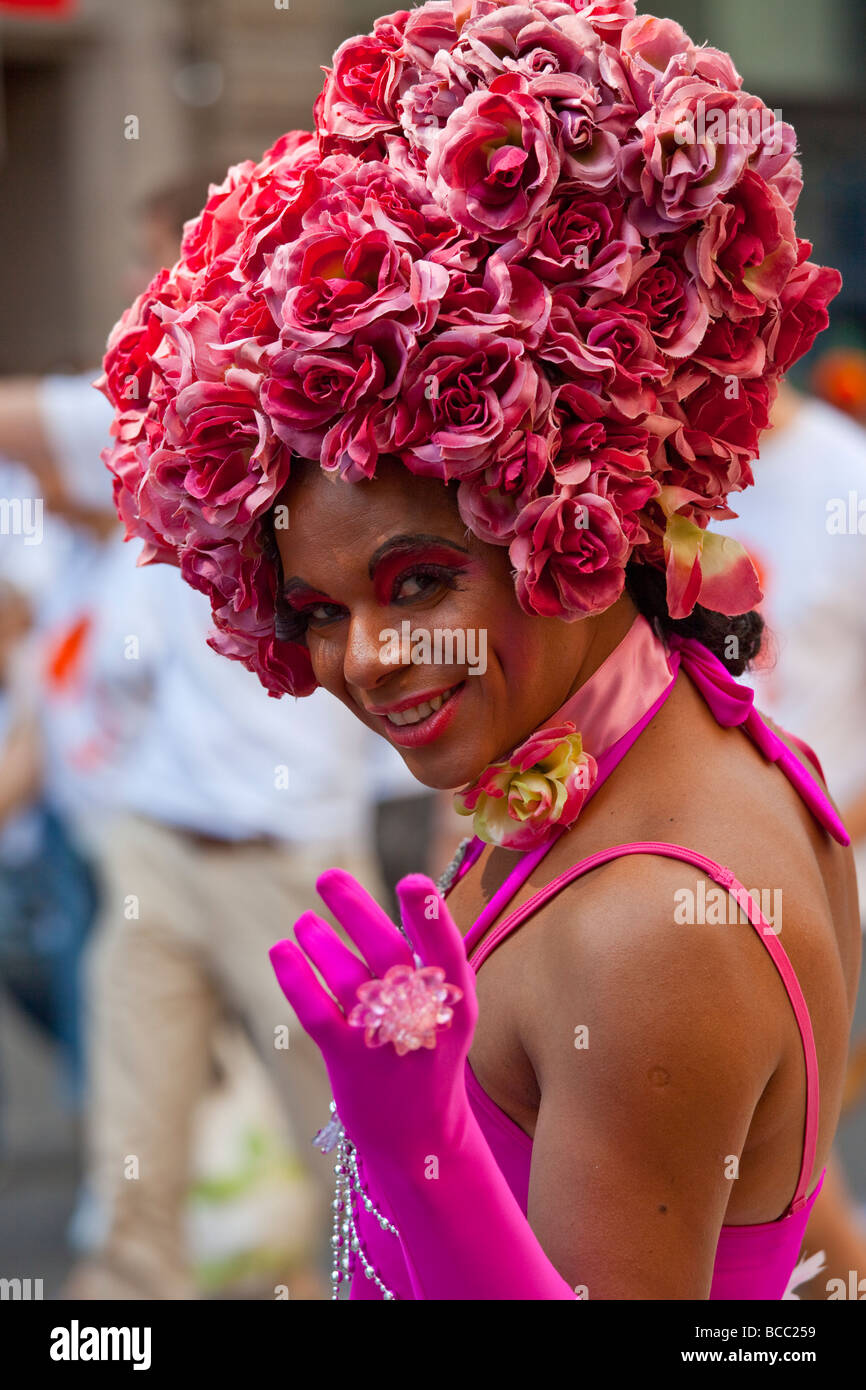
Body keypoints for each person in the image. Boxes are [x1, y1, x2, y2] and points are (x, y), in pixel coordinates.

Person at [95, 1, 860, 1299]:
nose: (374, 658)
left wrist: (428, 1149)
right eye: (318, 610)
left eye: (420, 579)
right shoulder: (625, 748)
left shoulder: (648, 928)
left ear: (564, 508)